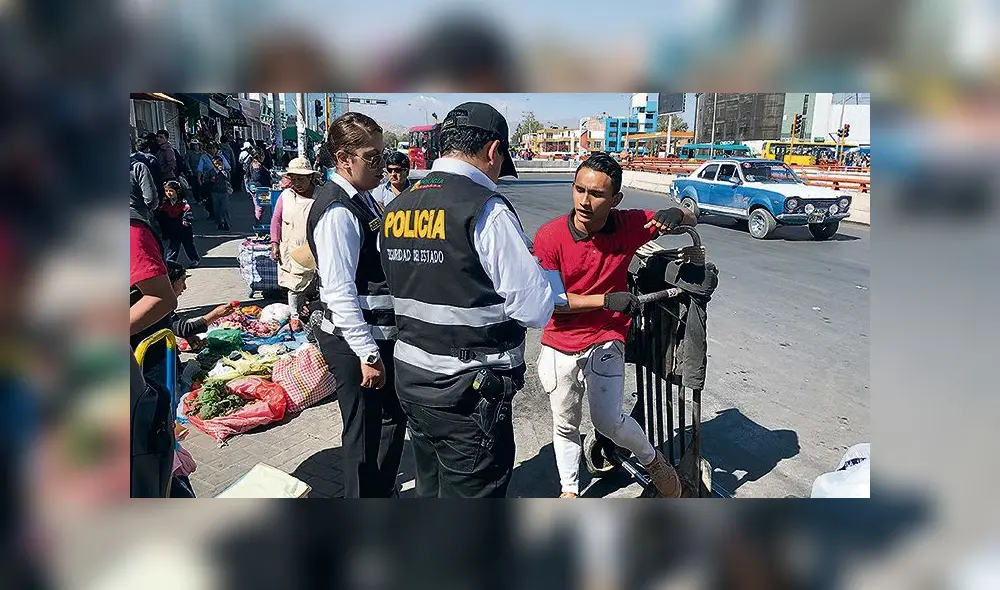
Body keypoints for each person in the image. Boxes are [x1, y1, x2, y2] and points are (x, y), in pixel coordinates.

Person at [380, 102, 556, 498]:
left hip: (413, 382)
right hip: (467, 396)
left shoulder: (396, 207)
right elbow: (533, 308)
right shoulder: (485, 210)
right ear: (493, 151)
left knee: (430, 491)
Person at [532, 152, 695, 498]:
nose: (585, 201)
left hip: (606, 337)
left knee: (608, 421)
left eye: (596, 194)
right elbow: (553, 302)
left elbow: (693, 218)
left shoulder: (628, 224)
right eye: (579, 190)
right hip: (559, 339)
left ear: (615, 199)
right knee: (565, 423)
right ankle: (570, 491)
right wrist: (605, 300)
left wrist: (676, 213)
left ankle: (653, 461)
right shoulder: (549, 237)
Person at [304, 112, 406, 498]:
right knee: (363, 431)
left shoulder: (359, 198)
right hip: (356, 342)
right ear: (344, 159)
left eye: (382, 155)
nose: (382, 165)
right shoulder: (338, 211)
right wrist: (367, 354)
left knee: (386, 421)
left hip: (372, 336)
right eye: (373, 157)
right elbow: (339, 291)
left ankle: (378, 492)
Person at [270, 157, 320, 331]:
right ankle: (295, 316)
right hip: (289, 248)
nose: (297, 183)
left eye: (302, 179)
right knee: (293, 285)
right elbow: (276, 220)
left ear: (311, 178)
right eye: (294, 179)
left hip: (311, 249)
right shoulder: (286, 196)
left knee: (312, 284)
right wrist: (274, 243)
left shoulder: (319, 197)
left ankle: (311, 311)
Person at [165, 262, 237, 343]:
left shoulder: (165, 303)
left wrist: (190, 337)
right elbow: (184, 329)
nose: (185, 287)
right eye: (182, 281)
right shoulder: (159, 305)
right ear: (170, 282)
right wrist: (216, 314)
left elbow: (178, 324)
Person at [155, 180, 201, 267]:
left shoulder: (183, 202)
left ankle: (195, 259)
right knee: (173, 246)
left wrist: (186, 219)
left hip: (184, 228)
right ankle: (170, 261)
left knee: (188, 245)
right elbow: (161, 214)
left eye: (171, 191)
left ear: (177, 191)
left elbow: (188, 212)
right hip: (173, 228)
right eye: (167, 191)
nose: (169, 193)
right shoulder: (165, 203)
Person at [199, 142, 233, 230]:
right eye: (216, 163)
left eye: (219, 163)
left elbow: (228, 178)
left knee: (225, 208)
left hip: (224, 191)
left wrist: (223, 171)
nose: (218, 165)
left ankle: (226, 222)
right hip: (214, 192)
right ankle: (219, 223)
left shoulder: (224, 171)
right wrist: (210, 180)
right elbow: (205, 179)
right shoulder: (210, 172)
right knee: (217, 209)